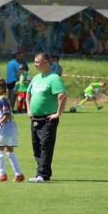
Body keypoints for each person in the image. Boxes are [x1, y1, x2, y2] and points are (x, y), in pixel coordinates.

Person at [26, 52, 67, 182]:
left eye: (37, 62)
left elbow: (62, 96)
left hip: (48, 119)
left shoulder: (54, 78)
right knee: (36, 146)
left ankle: (42, 175)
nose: (35, 64)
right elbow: (28, 93)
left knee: (45, 146)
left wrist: (58, 113)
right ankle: (42, 173)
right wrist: (28, 109)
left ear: (45, 62)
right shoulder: (36, 78)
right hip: (35, 118)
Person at [0, 77, 25, 182]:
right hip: (12, 128)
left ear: (0, 89)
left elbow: (7, 114)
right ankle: (19, 174)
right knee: (10, 151)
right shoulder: (4, 98)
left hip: (5, 128)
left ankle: (2, 174)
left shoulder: (2, 99)